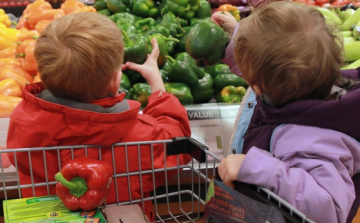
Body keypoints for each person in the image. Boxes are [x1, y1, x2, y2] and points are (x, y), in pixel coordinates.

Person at [6, 12, 192, 221]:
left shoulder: (22, 120)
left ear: (42, 70)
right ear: (115, 80)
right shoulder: (139, 133)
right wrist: (157, 86)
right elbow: (178, 144)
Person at [212, 2, 360, 223]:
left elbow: (329, 208)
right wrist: (238, 40)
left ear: (260, 84)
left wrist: (259, 168)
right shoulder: (291, 91)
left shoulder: (316, 141)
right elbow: (272, 69)